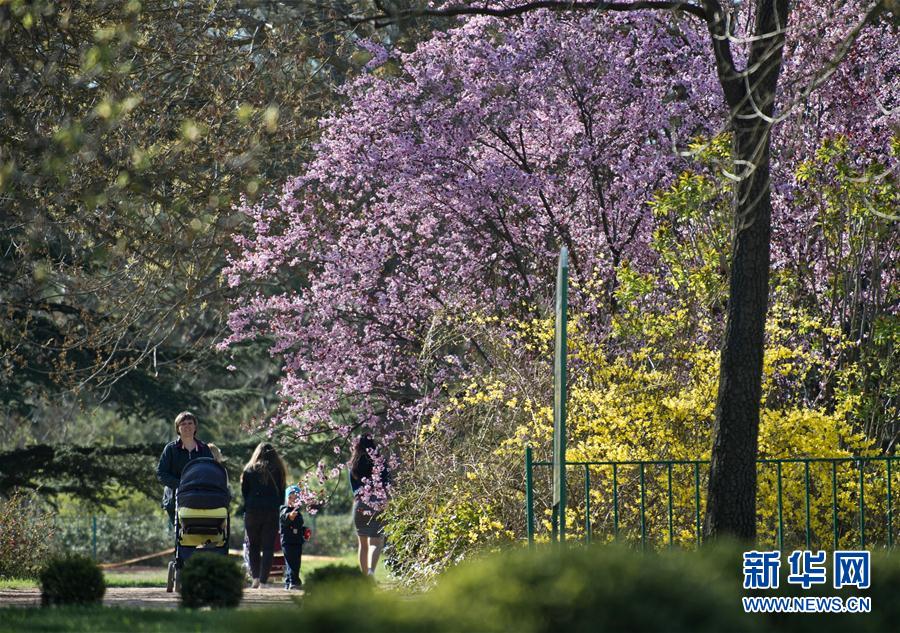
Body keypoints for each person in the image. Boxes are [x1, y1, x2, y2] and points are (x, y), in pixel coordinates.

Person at [241, 442, 287, 588]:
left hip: (252, 511)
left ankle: (255, 577)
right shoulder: (278, 470)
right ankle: (263, 580)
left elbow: (245, 492)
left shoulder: (249, 470)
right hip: (271, 511)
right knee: (268, 547)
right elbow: (281, 493)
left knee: (253, 546)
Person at [156, 411, 213, 526]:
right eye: (183, 424)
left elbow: (211, 471)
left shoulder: (204, 449)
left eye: (190, 423)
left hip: (200, 498)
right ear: (177, 428)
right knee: (182, 535)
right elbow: (161, 473)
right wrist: (181, 484)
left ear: (195, 427)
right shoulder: (170, 449)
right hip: (175, 499)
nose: (187, 426)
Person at [349, 434, 389, 576]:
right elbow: (386, 483)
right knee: (376, 542)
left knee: (363, 543)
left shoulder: (354, 463)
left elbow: (353, 488)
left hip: (360, 503)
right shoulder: (380, 462)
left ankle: (364, 576)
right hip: (377, 502)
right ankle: (371, 572)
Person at [279, 485, 305, 590]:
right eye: (290, 498)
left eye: (296, 498)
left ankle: (288, 582)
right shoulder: (284, 509)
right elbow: (283, 519)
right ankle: (294, 581)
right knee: (290, 561)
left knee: (296, 562)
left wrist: (304, 531)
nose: (293, 500)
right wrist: (289, 516)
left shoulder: (299, 513)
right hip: (287, 541)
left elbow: (299, 524)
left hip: (297, 540)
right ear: (287, 499)